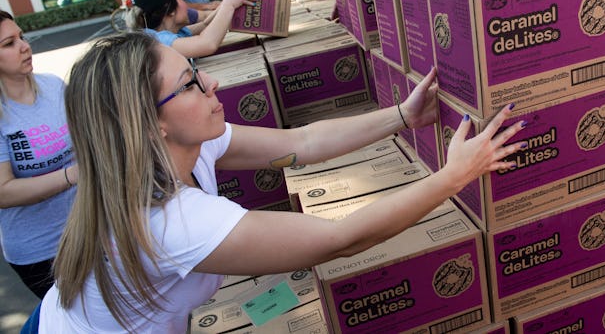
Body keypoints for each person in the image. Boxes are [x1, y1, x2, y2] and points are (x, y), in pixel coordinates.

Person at [33, 31, 524, 332]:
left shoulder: (191, 144)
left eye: (197, 72)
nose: (212, 84)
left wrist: (401, 115)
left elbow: (303, 142)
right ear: (149, 123)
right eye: (190, 85)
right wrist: (455, 174)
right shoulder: (170, 221)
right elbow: (341, 239)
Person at [0, 10, 77, 299]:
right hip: (41, 254)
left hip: (88, 230)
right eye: (8, 43)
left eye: (21, 37)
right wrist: (70, 175)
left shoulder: (54, 86)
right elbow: (3, 192)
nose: (24, 46)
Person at [129, 0, 258, 58]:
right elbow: (207, 43)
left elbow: (205, 25)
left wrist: (227, 3)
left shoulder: (164, 33)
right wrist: (228, 5)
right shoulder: (159, 43)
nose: (186, 4)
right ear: (169, 10)